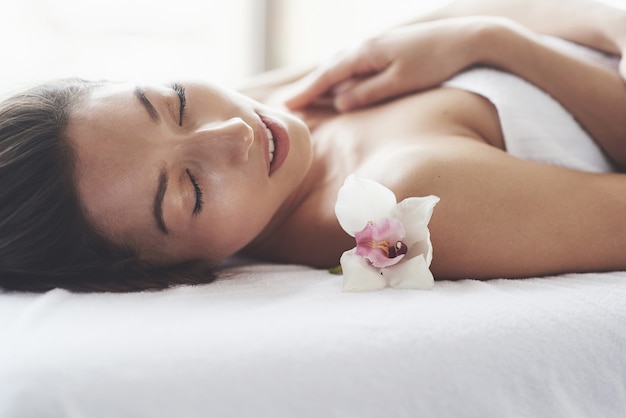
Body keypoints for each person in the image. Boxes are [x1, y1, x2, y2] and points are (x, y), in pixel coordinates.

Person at [1, 0, 625, 292]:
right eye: (189, 189)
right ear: (158, 270)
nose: (229, 135)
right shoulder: (410, 201)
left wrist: (479, 33)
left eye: (172, 102)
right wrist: (493, 41)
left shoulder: (272, 106)